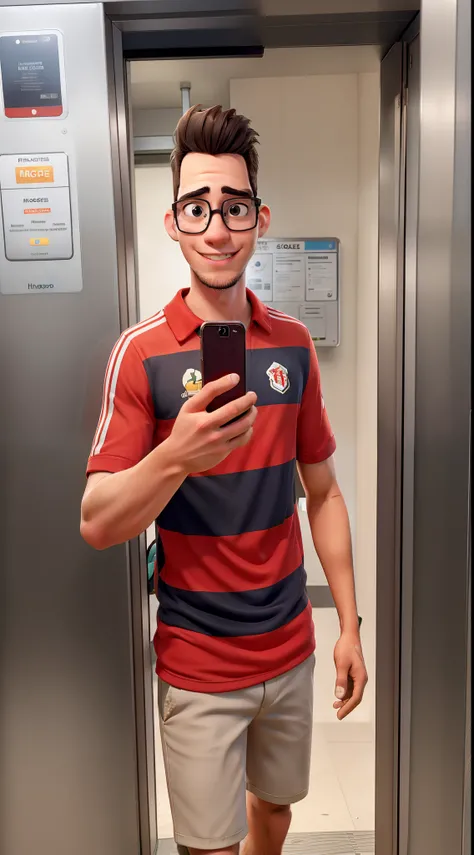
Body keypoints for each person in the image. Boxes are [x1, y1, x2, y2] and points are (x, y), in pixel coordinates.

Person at [80, 104, 368, 855]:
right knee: (208, 846)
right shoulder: (138, 354)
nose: (216, 227)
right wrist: (176, 455)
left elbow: (325, 492)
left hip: (291, 646)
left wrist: (349, 625)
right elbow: (98, 520)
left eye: (233, 207)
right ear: (172, 222)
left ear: (259, 217)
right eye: (197, 208)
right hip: (198, 659)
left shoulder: (295, 345)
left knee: (274, 813)